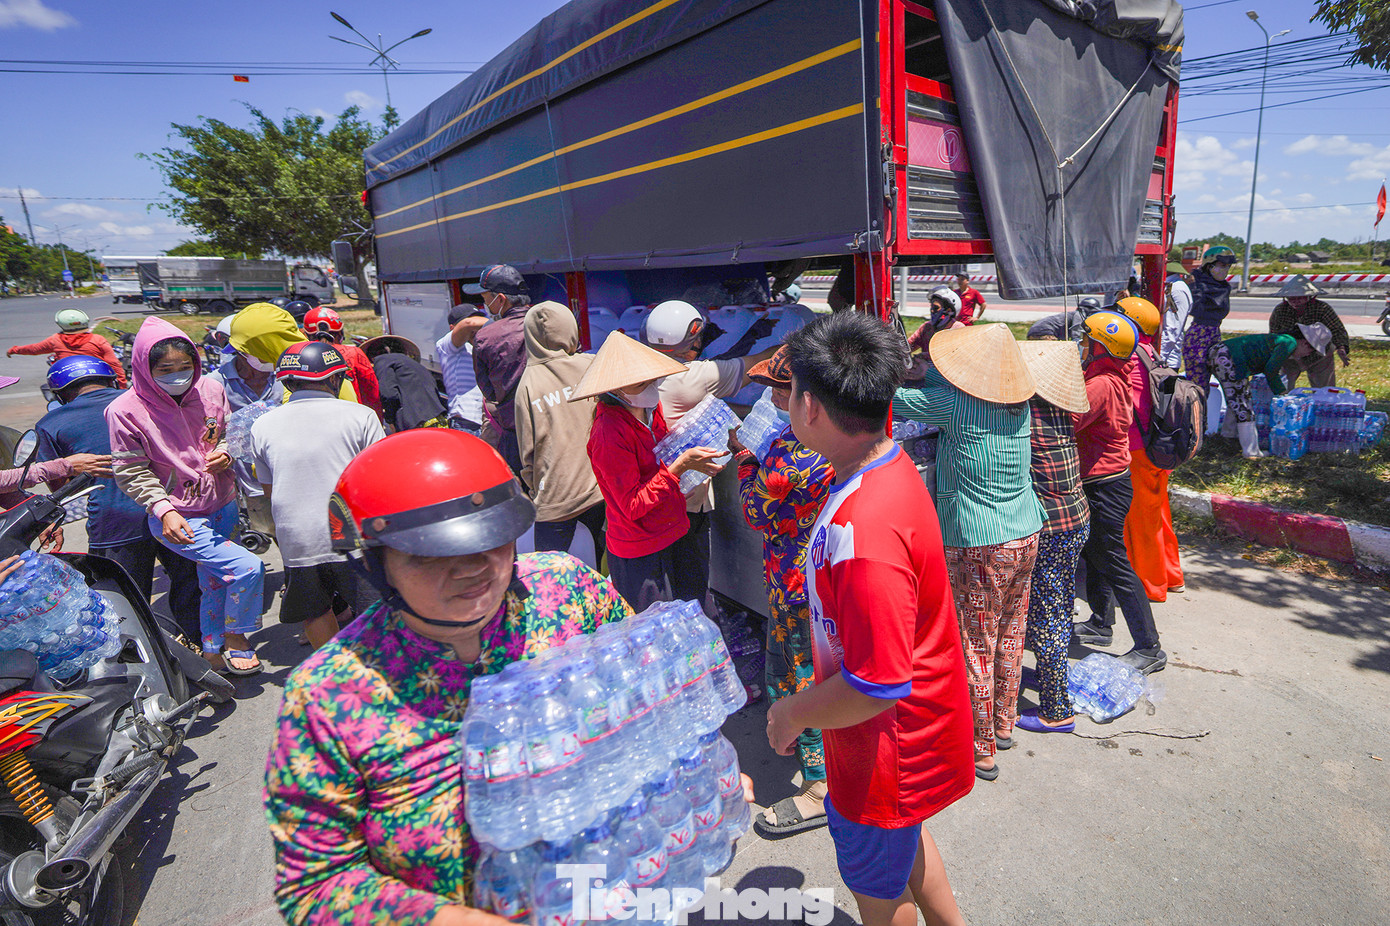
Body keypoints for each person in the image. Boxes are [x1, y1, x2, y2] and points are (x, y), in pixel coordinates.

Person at [265, 429, 646, 926]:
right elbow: (314, 886)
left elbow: (643, 682)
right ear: (376, 565)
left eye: (491, 540)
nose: (473, 569)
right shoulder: (327, 696)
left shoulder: (567, 587)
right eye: (432, 554)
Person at [765, 311, 972, 926]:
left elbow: (876, 683)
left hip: (884, 750)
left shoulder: (864, 531)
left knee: (879, 892)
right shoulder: (880, 464)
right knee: (902, 846)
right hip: (895, 740)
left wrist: (790, 714)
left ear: (811, 409)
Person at [894, 323, 1044, 781]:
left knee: (975, 642)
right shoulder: (1018, 401)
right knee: (1011, 633)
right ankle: (1002, 723)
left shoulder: (955, 402)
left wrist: (902, 369)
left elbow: (895, 401)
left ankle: (980, 749)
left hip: (980, 540)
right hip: (1026, 530)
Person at [105, 317, 265, 675]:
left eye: (185, 366)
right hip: (179, 517)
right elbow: (130, 470)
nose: (178, 375)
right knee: (247, 566)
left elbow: (225, 433)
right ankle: (237, 635)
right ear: (145, 368)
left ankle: (211, 653)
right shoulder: (125, 411)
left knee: (213, 583)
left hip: (222, 504)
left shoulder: (210, 389)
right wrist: (163, 509)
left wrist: (226, 451)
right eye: (166, 369)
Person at [729, 346, 833, 836]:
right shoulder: (831, 435)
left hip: (794, 583)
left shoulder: (790, 456)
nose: (770, 397)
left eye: (777, 389)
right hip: (818, 576)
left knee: (801, 679)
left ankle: (819, 786)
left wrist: (746, 460)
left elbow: (754, 511)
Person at [35, 356, 202, 641]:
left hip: (115, 520)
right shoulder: (145, 400)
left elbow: (60, 485)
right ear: (112, 380)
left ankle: (143, 661)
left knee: (124, 604)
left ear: (61, 393)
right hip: (173, 511)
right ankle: (200, 649)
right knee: (190, 585)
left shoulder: (50, 422)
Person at [569, 332, 724, 609]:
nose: (652, 387)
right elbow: (632, 504)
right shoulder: (609, 432)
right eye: (643, 383)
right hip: (639, 549)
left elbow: (661, 457)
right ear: (617, 390)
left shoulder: (651, 408)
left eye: (653, 379)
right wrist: (679, 468)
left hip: (674, 531)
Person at [249, 342, 384, 650]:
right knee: (374, 610)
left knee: (316, 609)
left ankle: (332, 673)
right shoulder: (361, 416)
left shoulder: (262, 425)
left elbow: (269, 492)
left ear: (286, 381)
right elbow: (379, 479)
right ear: (336, 379)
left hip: (297, 535)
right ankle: (381, 675)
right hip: (353, 533)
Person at [642, 299, 775, 607]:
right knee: (691, 589)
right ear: (693, 340)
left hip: (651, 495)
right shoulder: (694, 377)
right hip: (685, 504)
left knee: (661, 587)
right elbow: (755, 365)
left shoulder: (639, 372)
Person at [1071, 312, 1166, 675]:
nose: (1083, 346)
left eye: (1087, 341)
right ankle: (1100, 622)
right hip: (1109, 482)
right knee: (1094, 555)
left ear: (1102, 347)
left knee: (1115, 564)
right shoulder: (1109, 376)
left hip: (1103, 486)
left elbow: (1070, 420)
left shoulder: (1101, 385)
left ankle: (1149, 646)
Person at [1015, 342, 1091, 734]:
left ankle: (1056, 710)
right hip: (1075, 518)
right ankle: (1050, 678)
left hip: (1054, 527)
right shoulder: (1058, 406)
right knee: (1057, 607)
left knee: (1048, 615)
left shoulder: (1026, 413)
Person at [513, 302, 606, 565]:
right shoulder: (591, 364)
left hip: (556, 503)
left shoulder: (528, 384)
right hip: (600, 492)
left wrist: (533, 488)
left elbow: (528, 451)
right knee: (599, 572)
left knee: (556, 580)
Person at [1112, 297, 1185, 601]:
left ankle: (1152, 585)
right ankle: (1172, 574)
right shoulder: (1151, 352)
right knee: (1158, 513)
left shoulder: (1127, 357)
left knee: (1141, 520)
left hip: (1137, 449)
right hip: (1159, 447)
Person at [206, 318, 285, 537]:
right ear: (241, 352)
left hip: (287, 474)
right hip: (248, 483)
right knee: (268, 532)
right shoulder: (215, 383)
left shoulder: (285, 376)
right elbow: (208, 427)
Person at [468, 264, 537, 475]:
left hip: (517, 432)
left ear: (500, 299)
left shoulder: (486, 336)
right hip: (559, 422)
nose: (485, 304)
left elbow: (488, 391)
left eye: (485, 298)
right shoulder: (550, 322)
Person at [228, 303, 358, 403]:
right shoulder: (298, 366)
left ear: (265, 346)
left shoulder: (307, 374)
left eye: (245, 352)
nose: (243, 358)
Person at [1207, 332, 1298, 460]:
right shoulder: (1290, 343)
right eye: (1310, 351)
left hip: (1219, 352)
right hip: (1231, 357)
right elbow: (1271, 370)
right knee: (1244, 405)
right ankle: (1251, 451)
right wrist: (1282, 393)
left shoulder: (1282, 339)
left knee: (1235, 399)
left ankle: (1228, 436)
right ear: (1305, 343)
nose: (1307, 355)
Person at [7, 309, 127, 387]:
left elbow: (34, 349)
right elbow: (114, 364)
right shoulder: (98, 339)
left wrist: (15, 349)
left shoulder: (55, 339)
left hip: (68, 383)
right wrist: (122, 386)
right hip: (99, 379)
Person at [1268, 275, 1352, 387]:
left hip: (1319, 355)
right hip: (1290, 355)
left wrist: (1341, 347)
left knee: (1324, 390)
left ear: (1310, 297)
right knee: (1282, 388)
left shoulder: (1322, 308)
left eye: (1300, 298)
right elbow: (1273, 335)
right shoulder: (1280, 310)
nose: (1296, 302)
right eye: (1292, 299)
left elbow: (1337, 329)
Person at [301, 305, 384, 418]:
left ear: (306, 334)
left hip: (311, 417)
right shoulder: (353, 353)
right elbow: (371, 392)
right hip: (353, 417)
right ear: (340, 332)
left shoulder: (300, 354)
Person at [362, 336, 448, 431]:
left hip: (416, 424)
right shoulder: (411, 364)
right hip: (438, 418)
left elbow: (389, 394)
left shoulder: (382, 361)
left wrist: (390, 420)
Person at [1182, 245, 1237, 389]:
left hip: (1214, 334)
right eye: (1222, 265)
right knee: (1197, 385)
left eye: (1228, 267)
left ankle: (1204, 411)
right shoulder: (1197, 284)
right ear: (1209, 265)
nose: (1225, 270)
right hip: (1199, 336)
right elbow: (1195, 309)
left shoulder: (1224, 287)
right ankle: (1194, 411)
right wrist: (1195, 289)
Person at [436, 302, 488, 430]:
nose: (475, 328)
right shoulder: (446, 346)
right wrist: (501, 323)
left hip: (486, 421)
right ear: (452, 327)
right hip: (466, 422)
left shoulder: (480, 347)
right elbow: (467, 324)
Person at [905, 287, 964, 357]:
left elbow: (957, 355)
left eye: (936, 308)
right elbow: (907, 347)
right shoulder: (926, 328)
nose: (932, 311)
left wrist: (925, 356)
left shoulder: (958, 329)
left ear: (948, 311)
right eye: (931, 307)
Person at [1026, 295, 1104, 342]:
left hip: (1036, 331)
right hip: (1043, 332)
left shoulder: (1074, 314)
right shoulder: (1079, 315)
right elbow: (1075, 333)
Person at [1160, 261, 1193, 370]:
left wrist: (1159, 358)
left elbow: (1172, 328)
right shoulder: (1167, 285)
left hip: (1167, 361)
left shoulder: (1177, 289)